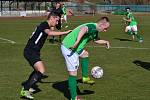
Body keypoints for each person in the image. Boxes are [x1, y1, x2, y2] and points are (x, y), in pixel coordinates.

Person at [20, 12, 71, 99]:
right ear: (51, 18)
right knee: (41, 70)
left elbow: (50, 31)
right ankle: (25, 89)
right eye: (57, 20)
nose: (57, 22)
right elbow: (49, 33)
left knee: (37, 70)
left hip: (33, 51)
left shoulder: (44, 25)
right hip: (31, 51)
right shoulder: (44, 25)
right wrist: (65, 32)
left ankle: (27, 86)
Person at [61, 17, 110, 100]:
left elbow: (96, 40)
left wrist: (106, 42)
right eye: (105, 28)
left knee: (85, 54)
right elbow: (83, 29)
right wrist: (77, 41)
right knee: (73, 74)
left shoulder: (95, 30)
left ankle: (85, 77)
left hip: (76, 48)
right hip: (69, 48)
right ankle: (74, 98)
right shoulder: (92, 26)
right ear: (101, 25)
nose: (105, 30)